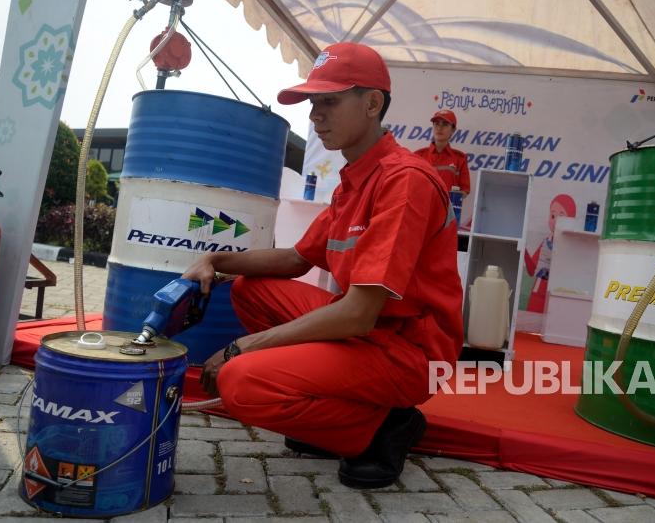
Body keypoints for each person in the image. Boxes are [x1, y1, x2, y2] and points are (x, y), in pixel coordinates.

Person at [182, 42, 463, 489]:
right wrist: (215, 260)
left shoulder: (403, 181)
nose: (314, 115)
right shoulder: (354, 180)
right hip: (371, 334)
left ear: (372, 103)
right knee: (250, 289)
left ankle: (383, 428)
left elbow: (357, 312)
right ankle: (336, 412)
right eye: (313, 103)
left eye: (328, 102)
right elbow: (295, 259)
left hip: (410, 353)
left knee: (240, 383)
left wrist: (244, 348)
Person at [524, 193, 576, 313]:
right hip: (537, 297)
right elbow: (532, 271)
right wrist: (524, 252)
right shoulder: (546, 242)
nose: (555, 220)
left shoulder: (572, 247)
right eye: (553, 215)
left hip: (558, 300)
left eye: (561, 216)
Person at [413, 110, 470, 196]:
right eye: (436, 124)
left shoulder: (460, 158)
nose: (439, 128)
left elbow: (465, 190)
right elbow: (411, 184)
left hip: (446, 208)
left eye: (445, 124)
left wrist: (452, 197)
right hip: (422, 207)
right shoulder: (418, 155)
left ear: (453, 129)